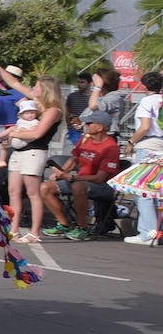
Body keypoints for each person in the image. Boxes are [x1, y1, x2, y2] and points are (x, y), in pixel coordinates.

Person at [0, 65, 64, 242]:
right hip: (20, 151)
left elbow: (37, 134)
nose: (33, 89)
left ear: (45, 90)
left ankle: (34, 232)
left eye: (37, 86)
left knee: (33, 192)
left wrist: (13, 133)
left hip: (34, 152)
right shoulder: (35, 105)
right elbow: (14, 83)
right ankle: (14, 228)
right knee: (13, 191)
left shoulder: (53, 111)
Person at [40, 108, 121, 240]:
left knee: (78, 187)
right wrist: (61, 173)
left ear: (100, 127)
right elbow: (74, 159)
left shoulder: (111, 147)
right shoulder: (85, 139)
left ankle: (82, 227)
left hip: (103, 186)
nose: (85, 125)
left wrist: (71, 177)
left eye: (89, 123)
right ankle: (63, 224)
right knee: (45, 187)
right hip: (80, 181)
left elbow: (100, 178)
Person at [111, 70, 163, 245]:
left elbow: (145, 127)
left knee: (143, 189)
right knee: (157, 191)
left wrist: (131, 142)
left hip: (148, 146)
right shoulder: (161, 101)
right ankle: (157, 230)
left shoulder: (146, 101)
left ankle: (147, 233)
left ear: (145, 85)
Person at [64, 71, 92, 145]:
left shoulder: (94, 97)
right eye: (78, 82)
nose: (79, 84)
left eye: (82, 82)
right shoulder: (72, 96)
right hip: (75, 129)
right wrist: (69, 125)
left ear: (89, 83)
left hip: (90, 130)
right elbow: (68, 112)